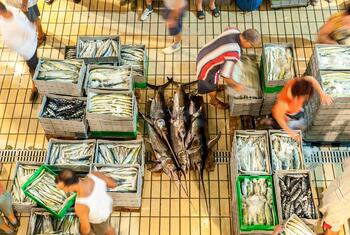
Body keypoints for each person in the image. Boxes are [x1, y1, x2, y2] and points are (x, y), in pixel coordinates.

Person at [196, 27, 261, 109]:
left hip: (204, 52)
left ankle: (215, 90)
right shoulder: (233, 53)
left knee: (214, 82)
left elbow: (226, 29)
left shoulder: (234, 30)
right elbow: (226, 76)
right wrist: (237, 86)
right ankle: (213, 101)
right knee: (210, 86)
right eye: (251, 45)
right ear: (245, 40)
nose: (251, 47)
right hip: (205, 67)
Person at [56, 169, 117, 235]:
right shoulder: (95, 175)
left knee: (104, 230)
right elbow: (113, 184)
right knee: (107, 228)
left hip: (99, 218)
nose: (60, 190)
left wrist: (82, 232)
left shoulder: (81, 205)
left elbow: (86, 229)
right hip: (107, 207)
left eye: (62, 188)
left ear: (70, 187)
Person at [0, 2, 39, 102]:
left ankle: (35, 87)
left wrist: (21, 48)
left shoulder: (17, 20)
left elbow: (31, 30)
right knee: (32, 66)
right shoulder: (8, 13)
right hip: (25, 50)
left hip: (29, 50)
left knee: (33, 67)